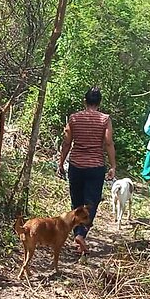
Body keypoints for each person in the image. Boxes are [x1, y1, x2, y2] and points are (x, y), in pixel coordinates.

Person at [56, 87, 117, 255]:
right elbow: (108, 143)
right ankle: (81, 235)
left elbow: (67, 142)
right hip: (95, 167)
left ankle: (78, 236)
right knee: (91, 203)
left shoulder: (74, 118)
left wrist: (61, 162)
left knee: (76, 202)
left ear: (85, 101)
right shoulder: (105, 119)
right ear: (99, 102)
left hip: (76, 166)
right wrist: (113, 166)